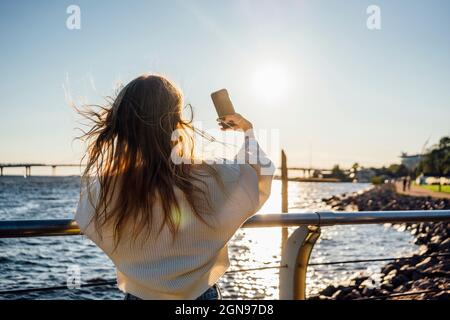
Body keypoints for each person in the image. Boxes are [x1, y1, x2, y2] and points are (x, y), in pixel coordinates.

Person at [74, 74, 274, 300]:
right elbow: (261, 174)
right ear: (177, 123)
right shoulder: (211, 175)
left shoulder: (105, 189)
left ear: (121, 127)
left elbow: (86, 218)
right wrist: (247, 131)